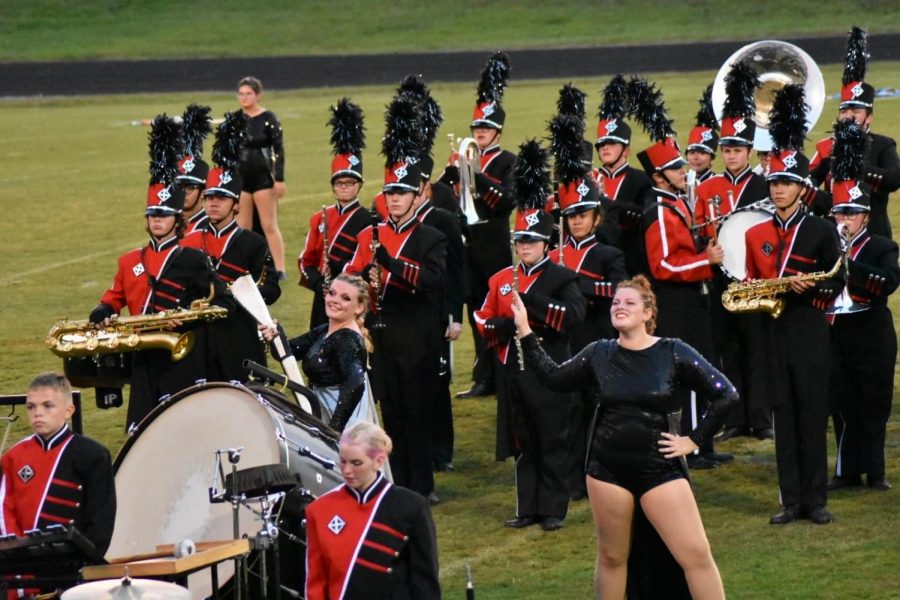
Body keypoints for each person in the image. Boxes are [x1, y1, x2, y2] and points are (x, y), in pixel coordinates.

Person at [512, 276, 733, 599]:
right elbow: (554, 377)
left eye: (629, 302)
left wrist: (694, 440)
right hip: (607, 470)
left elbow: (726, 395)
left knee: (696, 555)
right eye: (616, 302)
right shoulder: (599, 353)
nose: (619, 307)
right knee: (612, 558)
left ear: (647, 313)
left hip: (659, 468)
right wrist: (525, 332)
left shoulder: (672, 351)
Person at [89, 116, 230, 430]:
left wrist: (188, 317)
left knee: (184, 427)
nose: (157, 221)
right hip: (143, 352)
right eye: (152, 214)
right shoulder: (129, 261)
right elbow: (115, 296)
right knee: (142, 429)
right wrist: (104, 308)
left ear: (177, 219)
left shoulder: (193, 258)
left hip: (182, 352)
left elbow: (221, 301)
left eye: (164, 215)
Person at [742, 85, 842, 525]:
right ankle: (790, 500)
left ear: (803, 187)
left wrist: (809, 289)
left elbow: (839, 279)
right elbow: (749, 284)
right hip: (772, 331)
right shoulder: (756, 232)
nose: (778, 189)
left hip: (809, 329)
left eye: (786, 183)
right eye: (774, 182)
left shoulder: (821, 231)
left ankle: (816, 501)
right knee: (783, 415)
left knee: (811, 412)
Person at [474, 140, 586, 531]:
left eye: (532, 242)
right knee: (523, 441)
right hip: (513, 369)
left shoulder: (561, 276)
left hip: (552, 368)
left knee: (552, 439)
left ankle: (554, 508)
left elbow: (574, 317)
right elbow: (482, 317)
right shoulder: (502, 279)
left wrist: (533, 304)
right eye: (521, 241)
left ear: (545, 245)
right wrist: (500, 328)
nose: (526, 247)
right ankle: (528, 507)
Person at [345, 94, 447, 500]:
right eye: (390, 193)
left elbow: (433, 282)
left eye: (402, 194)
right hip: (382, 332)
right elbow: (355, 278)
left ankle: (422, 484)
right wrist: (363, 282)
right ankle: (396, 481)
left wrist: (390, 263)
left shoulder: (430, 236)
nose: (395, 200)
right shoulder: (370, 233)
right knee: (391, 413)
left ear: (416, 196)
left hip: (417, 331)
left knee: (417, 411)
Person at [631, 77, 730, 470]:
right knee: (687, 375)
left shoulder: (676, 202)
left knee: (702, 368)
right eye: (674, 167)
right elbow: (663, 266)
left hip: (694, 298)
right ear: (659, 177)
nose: (683, 169)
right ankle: (690, 444)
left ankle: (703, 444)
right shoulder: (657, 209)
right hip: (677, 301)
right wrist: (707, 260)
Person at [692, 64, 772, 443]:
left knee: (757, 347)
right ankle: (736, 417)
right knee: (728, 348)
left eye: (738, 149)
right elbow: (697, 229)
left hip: (756, 281)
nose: (732, 155)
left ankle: (761, 418)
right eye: (726, 149)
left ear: (749, 150)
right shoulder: (709, 187)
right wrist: (704, 247)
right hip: (721, 277)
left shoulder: (766, 186)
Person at [549, 112, 626, 500]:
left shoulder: (607, 253)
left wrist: (574, 283)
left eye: (582, 214)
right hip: (563, 343)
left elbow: (618, 293)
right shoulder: (554, 253)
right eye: (571, 215)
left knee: (598, 409)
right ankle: (571, 478)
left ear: (595, 216)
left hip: (597, 341)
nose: (576, 221)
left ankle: (600, 475)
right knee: (568, 411)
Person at [824, 119, 899, 492]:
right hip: (837, 332)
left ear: (866, 217)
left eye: (850, 214)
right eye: (839, 213)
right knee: (841, 402)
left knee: (874, 401)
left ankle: (877, 472)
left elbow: (888, 284)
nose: (843, 220)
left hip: (872, 332)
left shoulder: (882, 247)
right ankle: (847, 471)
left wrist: (850, 267)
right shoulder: (827, 247)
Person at [436, 52, 516, 400]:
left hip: (494, 245)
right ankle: (483, 377)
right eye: (477, 129)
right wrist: (448, 176)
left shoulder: (509, 161)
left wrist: (478, 177)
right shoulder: (462, 156)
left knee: (498, 313)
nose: (480, 133)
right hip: (465, 245)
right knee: (472, 314)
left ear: (497, 131)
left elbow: (507, 202)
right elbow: (440, 198)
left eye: (486, 128)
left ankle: (503, 375)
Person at [183, 110, 281, 383]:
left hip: (241, 337)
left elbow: (272, 289)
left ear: (236, 204)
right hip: (200, 340)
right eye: (210, 197)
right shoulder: (189, 242)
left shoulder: (253, 242)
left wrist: (240, 295)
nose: (214, 203)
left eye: (222, 198)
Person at [304, 422, 440, 600]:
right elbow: (316, 580)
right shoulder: (319, 509)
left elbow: (425, 583)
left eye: (356, 463)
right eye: (343, 461)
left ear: (379, 461)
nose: (346, 470)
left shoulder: (411, 507)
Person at [1, 373, 116, 556]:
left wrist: (84, 562)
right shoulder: (13, 456)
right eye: (31, 407)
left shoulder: (93, 455)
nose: (37, 413)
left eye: (48, 406)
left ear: (69, 410)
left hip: (74, 565)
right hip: (22, 566)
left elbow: (101, 522)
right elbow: (5, 513)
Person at [809, 27, 900, 237]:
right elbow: (807, 186)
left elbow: (895, 179)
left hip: (874, 234)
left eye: (856, 111)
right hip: (833, 234)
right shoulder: (825, 146)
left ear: (869, 117)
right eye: (845, 110)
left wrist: (858, 167)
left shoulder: (883, 144)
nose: (849, 116)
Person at [261, 273, 371, 432]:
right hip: (322, 414)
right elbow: (288, 352)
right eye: (332, 293)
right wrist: (275, 335)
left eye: (345, 298)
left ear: (359, 307)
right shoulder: (325, 330)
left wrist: (334, 430)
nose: (335, 300)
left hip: (341, 422)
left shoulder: (348, 340)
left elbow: (355, 384)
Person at [299, 98, 370, 328]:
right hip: (323, 296)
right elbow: (306, 260)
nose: (345, 187)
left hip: (351, 297)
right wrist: (319, 282)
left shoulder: (368, 219)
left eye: (350, 182)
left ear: (359, 185)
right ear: (332, 185)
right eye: (340, 183)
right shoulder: (320, 217)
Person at [592, 74, 653, 274]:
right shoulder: (589, 178)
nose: (605, 148)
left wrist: (604, 201)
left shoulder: (641, 179)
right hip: (595, 261)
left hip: (631, 261)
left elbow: (640, 218)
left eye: (612, 144)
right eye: (601, 144)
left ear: (626, 150)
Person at [234, 76, 288, 276]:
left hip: (263, 178)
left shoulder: (268, 118)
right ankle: (246, 268)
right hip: (241, 179)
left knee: (268, 225)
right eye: (241, 93)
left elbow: (279, 149)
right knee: (243, 227)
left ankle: (280, 268)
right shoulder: (236, 119)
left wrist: (279, 178)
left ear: (258, 95)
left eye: (248, 93)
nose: (244, 97)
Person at [176, 103, 213, 235]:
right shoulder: (167, 225)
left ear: (204, 191)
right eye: (179, 187)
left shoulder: (211, 231)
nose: (183, 193)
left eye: (190, 188)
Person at [685, 84, 719, 185]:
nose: (696, 157)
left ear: (711, 159)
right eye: (692, 152)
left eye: (702, 153)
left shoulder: (717, 183)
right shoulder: (680, 183)